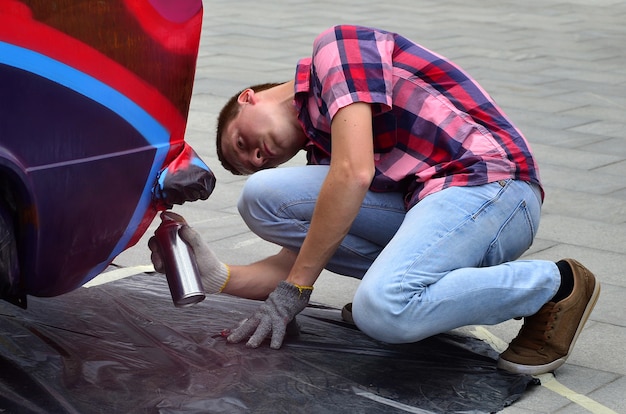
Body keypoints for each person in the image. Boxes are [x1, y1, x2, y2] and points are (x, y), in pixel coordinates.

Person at [149, 25, 600, 375]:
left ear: (248, 99)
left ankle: (555, 286)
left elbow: (354, 175)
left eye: (242, 143)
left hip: (490, 185)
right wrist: (213, 275)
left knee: (379, 308)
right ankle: (413, 289)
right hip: (429, 203)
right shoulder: (324, 154)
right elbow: (297, 262)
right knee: (277, 202)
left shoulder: (336, 48)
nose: (258, 156)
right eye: (254, 161)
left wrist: (296, 293)